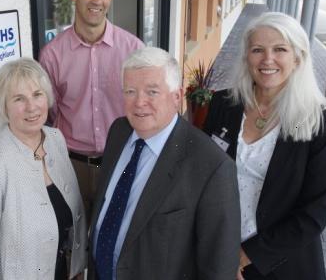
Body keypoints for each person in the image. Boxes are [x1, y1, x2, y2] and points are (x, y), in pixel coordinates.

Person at [203, 12, 326, 280]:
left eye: (280, 49)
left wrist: (244, 256)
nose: (267, 59)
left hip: (279, 264)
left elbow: (314, 213)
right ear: (247, 56)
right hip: (219, 251)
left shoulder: (321, 123)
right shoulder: (224, 104)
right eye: (258, 50)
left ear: (298, 57)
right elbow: (203, 177)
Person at [89, 47, 240, 280]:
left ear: (177, 97)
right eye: (130, 91)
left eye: (152, 92)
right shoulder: (118, 131)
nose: (139, 102)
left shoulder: (211, 167)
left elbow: (219, 268)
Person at [0, 58, 86, 280]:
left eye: (37, 94)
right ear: (3, 106)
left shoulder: (55, 139)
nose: (31, 107)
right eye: (19, 99)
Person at [40, 0, 144, 218]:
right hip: (70, 165)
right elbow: (48, 115)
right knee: (73, 243)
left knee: (117, 239)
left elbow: (145, 108)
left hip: (121, 161)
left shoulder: (134, 51)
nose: (98, 0)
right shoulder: (52, 55)